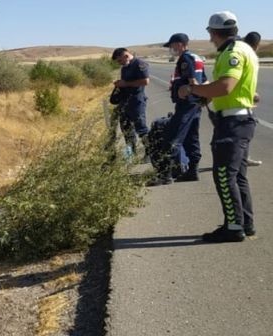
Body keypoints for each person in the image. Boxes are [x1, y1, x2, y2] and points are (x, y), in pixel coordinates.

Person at [178, 11, 259, 242]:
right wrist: (206, 95)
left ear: (213, 32)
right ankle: (245, 223)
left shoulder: (232, 53)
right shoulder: (246, 50)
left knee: (224, 175)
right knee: (238, 175)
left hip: (232, 124)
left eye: (211, 34)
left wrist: (192, 89)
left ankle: (233, 227)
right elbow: (239, 87)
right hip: (241, 120)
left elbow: (225, 87)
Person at [148, 33, 208, 186]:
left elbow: (192, 81)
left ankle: (165, 175)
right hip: (195, 104)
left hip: (187, 104)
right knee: (191, 138)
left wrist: (188, 91)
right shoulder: (197, 58)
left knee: (171, 137)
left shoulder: (186, 59)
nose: (171, 49)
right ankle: (192, 171)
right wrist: (202, 98)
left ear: (180, 44)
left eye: (172, 46)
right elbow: (205, 81)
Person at [111, 48, 150, 160]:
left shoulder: (139, 64)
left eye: (120, 61)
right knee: (126, 129)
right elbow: (125, 84)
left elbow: (145, 81)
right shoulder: (125, 67)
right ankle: (131, 154)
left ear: (125, 55)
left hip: (136, 102)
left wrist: (126, 84)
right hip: (125, 102)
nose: (120, 63)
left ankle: (150, 152)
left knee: (141, 129)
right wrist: (120, 84)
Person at [243, 31, 263, 167]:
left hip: (243, 99)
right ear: (257, 44)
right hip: (241, 101)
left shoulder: (243, 53)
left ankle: (243, 157)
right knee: (245, 133)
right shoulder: (247, 55)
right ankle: (242, 159)